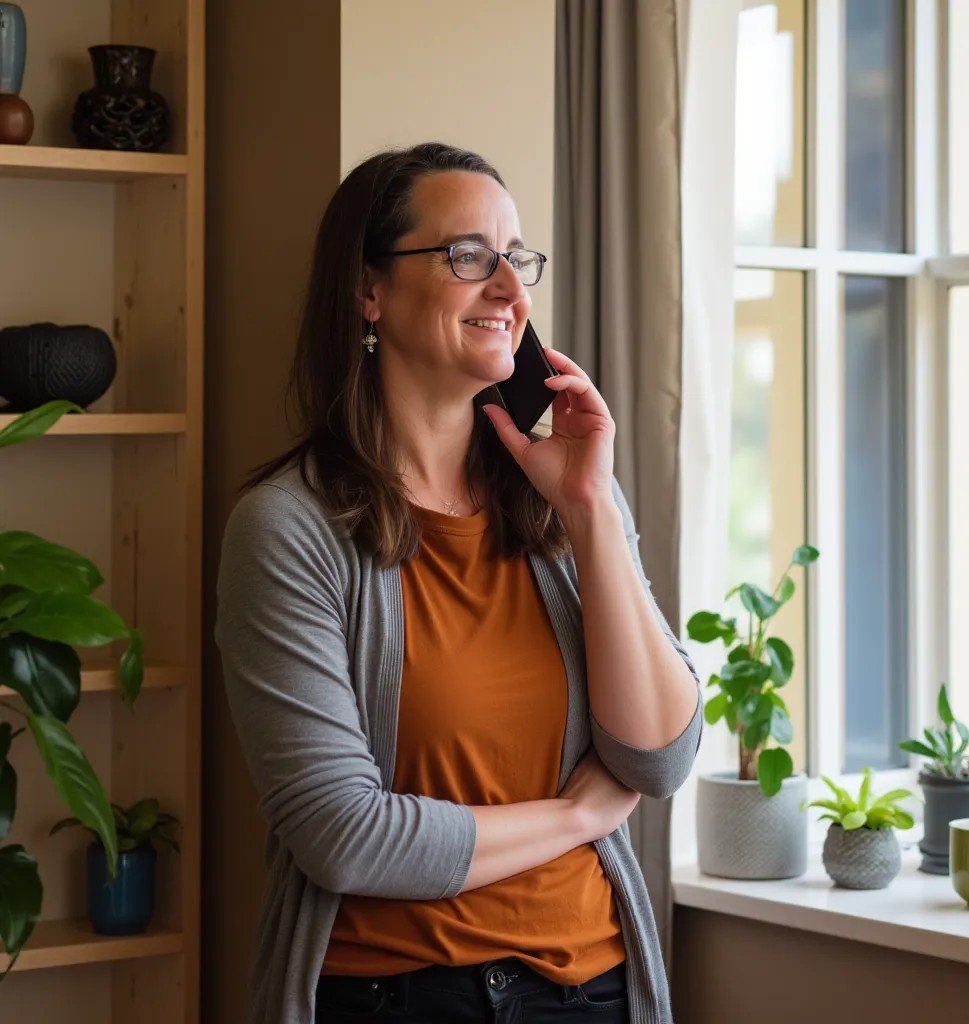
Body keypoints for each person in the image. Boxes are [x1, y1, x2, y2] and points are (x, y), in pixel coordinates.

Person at [215, 141, 704, 1024]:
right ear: (370, 291)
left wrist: (591, 508)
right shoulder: (288, 530)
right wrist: (575, 816)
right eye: (468, 257)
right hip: (394, 996)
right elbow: (343, 836)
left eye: (516, 259)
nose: (512, 293)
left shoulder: (570, 496)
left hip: (593, 991)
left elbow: (658, 757)